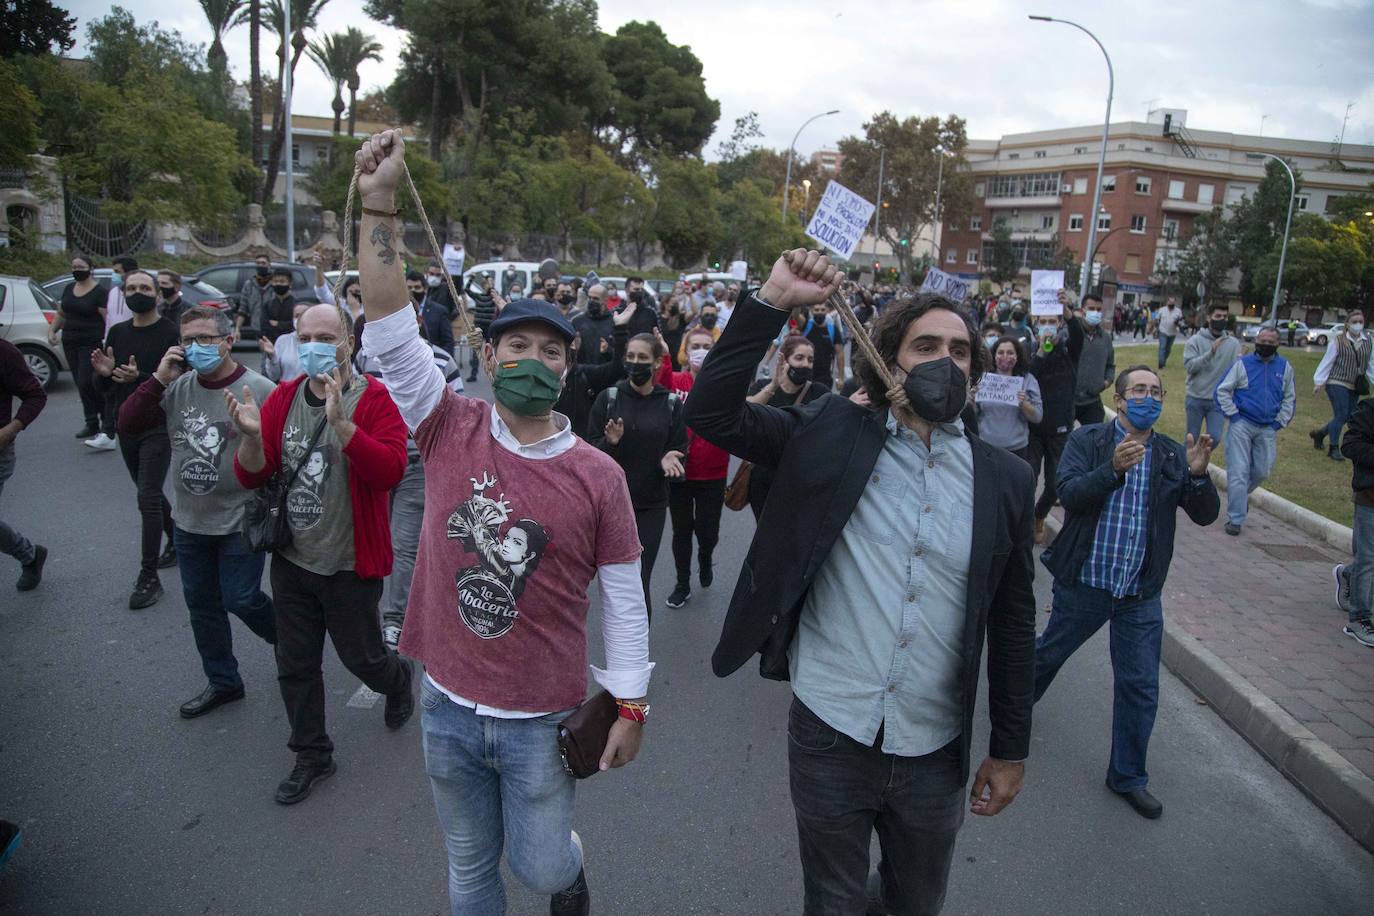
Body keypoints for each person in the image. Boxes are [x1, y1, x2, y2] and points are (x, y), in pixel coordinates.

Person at [352, 129, 652, 916]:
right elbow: (385, 323)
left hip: (541, 722)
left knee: (543, 868)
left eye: (551, 353)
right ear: (489, 357)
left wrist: (630, 705)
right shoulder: (446, 423)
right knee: (469, 871)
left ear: (567, 370)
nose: (533, 360)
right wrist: (379, 201)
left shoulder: (600, 477)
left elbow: (623, 598)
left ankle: (568, 871)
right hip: (445, 704)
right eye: (516, 344)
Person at [684, 248, 1035, 916]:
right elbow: (712, 415)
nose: (944, 362)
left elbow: (1014, 623)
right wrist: (772, 301)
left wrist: (1010, 748)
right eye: (925, 345)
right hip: (831, 728)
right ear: (886, 359)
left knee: (914, 904)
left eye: (960, 351)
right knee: (835, 903)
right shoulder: (830, 431)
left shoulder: (1007, 480)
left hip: (935, 746)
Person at [229, 302, 415, 805]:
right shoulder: (283, 398)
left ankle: (398, 679)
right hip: (292, 559)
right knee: (295, 664)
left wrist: (343, 428)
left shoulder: (375, 399)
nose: (313, 346)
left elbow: (391, 473)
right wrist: (249, 439)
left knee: (363, 660)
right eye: (304, 336)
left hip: (350, 566)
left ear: (347, 343)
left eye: (325, 336)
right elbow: (253, 473)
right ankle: (312, 754)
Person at [1036, 366, 1219, 820]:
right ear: (1119, 400)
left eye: (1156, 391)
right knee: (1047, 656)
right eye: (1139, 390)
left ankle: (1128, 777)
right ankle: (1011, 712)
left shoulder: (1172, 455)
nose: (1148, 397)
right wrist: (1113, 469)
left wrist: (1198, 478)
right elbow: (1070, 493)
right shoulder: (1090, 441)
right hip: (1087, 581)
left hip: (1139, 591)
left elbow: (1204, 515)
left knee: (1140, 686)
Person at [118, 305, 278, 717]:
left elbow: (280, 454)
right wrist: (157, 379)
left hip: (241, 517)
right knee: (202, 606)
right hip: (190, 520)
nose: (195, 347)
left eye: (205, 338)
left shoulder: (260, 388)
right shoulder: (176, 387)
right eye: (188, 340)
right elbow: (130, 424)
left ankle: (292, 639)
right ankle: (224, 681)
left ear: (227, 341)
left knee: (241, 598)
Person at [354, 305, 466, 650]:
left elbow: (458, 412)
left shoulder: (442, 361)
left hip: (416, 465)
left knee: (404, 545)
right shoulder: (364, 358)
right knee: (367, 539)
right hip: (371, 461)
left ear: (415, 323)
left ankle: (394, 619)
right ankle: (359, 613)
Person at [93, 270, 180, 609]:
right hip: (125, 425)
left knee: (146, 497)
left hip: (158, 425)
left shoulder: (171, 333)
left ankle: (149, 576)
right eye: (132, 288)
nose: (138, 293)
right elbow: (105, 387)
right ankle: (176, 539)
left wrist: (141, 376)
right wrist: (104, 375)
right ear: (123, 293)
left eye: (145, 288)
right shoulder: (117, 331)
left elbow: (179, 384)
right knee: (151, 493)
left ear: (158, 294)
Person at [587, 333, 688, 612]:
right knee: (610, 582)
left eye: (642, 358)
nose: (635, 363)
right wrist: (610, 442)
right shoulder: (609, 398)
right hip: (609, 505)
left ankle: (636, 654)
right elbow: (588, 454)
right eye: (630, 357)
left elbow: (680, 450)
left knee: (638, 581)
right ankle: (613, 649)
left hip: (650, 505)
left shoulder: (670, 404)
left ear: (657, 363)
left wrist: (670, 460)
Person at [658, 327, 731, 609]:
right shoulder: (677, 380)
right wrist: (664, 356)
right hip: (680, 472)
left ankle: (705, 556)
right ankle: (682, 583)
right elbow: (661, 385)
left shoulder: (723, 385)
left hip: (713, 473)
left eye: (706, 345)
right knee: (681, 530)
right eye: (695, 345)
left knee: (708, 531)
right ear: (686, 352)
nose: (700, 350)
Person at [1215, 327, 1295, 535]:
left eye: (1270, 341)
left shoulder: (1284, 367)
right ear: (1256, 340)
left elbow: (1289, 397)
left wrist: (1280, 422)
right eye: (1262, 340)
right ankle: (1235, 518)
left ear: (1278, 344)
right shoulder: (1243, 364)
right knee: (1238, 472)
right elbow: (1222, 390)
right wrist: (1234, 415)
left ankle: (1239, 498)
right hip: (1242, 424)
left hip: (1268, 427)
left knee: (1262, 471)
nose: (1265, 344)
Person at [744, 335, 828, 518]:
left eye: (810, 360)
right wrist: (774, 385)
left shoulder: (820, 393)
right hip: (763, 478)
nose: (805, 364)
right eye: (799, 358)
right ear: (784, 360)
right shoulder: (763, 386)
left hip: (801, 479)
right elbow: (747, 410)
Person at [1027, 291, 1084, 544]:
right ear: (1035, 324)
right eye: (1043, 322)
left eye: (1053, 321)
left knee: (1054, 484)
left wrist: (1069, 312)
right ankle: (1022, 522)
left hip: (1060, 428)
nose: (1048, 326)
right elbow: (1028, 378)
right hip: (1032, 427)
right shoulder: (1030, 350)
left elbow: (1079, 335)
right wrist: (1040, 352)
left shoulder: (1068, 349)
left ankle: (1039, 516)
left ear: (1059, 324)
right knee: (1027, 479)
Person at [0, 338, 48, 591]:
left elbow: (35, 395)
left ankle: (29, 555)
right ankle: (30, 555)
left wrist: (9, 430)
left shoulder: (5, 351)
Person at [48, 255, 108, 441]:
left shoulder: (99, 292)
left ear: (90, 268)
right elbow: (61, 313)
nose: (76, 269)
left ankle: (106, 418)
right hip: (70, 341)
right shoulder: (69, 288)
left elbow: (107, 319)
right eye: (73, 266)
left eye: (80, 266)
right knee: (79, 383)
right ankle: (91, 422)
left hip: (91, 342)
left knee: (86, 381)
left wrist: (109, 340)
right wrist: (52, 331)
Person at [1336, 400, 1374, 648]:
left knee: (1367, 559)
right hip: (1370, 496)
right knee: (1369, 557)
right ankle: (1359, 619)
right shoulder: (1368, 410)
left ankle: (1347, 575)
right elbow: (1349, 445)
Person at [1312, 311, 1374, 461]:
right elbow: (1328, 361)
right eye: (1354, 321)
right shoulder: (1338, 341)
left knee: (1349, 416)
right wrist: (1319, 381)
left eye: (1360, 321)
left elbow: (1371, 363)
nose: (1358, 324)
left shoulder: (1369, 341)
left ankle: (1320, 433)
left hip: (1356, 384)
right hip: (1337, 381)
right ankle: (1334, 448)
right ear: (1347, 324)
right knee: (1340, 415)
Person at [976, 337, 1043, 463]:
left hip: (1017, 449)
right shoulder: (983, 380)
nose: (1005, 356)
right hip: (987, 447)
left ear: (1017, 356)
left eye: (1010, 353)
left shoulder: (1028, 380)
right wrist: (972, 401)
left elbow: (1038, 417)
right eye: (1000, 352)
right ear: (993, 356)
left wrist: (1024, 404)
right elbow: (974, 414)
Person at [1183, 304, 1241, 448]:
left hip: (1218, 400)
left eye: (1225, 317)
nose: (1222, 319)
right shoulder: (1195, 341)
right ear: (1209, 318)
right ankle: (1185, 466)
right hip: (1196, 397)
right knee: (1192, 438)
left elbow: (1235, 372)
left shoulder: (1233, 344)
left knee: (1214, 437)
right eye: (1218, 316)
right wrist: (1210, 354)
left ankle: (1198, 461)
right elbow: (1190, 367)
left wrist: (1242, 362)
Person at [1074, 292, 1115, 427]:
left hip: (1092, 400)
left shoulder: (1105, 338)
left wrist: (1106, 382)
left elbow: (1110, 365)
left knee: (1095, 439)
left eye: (1098, 310)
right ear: (1082, 310)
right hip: (1068, 400)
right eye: (1091, 309)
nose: (1095, 312)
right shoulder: (1070, 333)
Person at [261, 300, 313, 382]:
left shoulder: (319, 342)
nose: (299, 319)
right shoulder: (282, 340)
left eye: (304, 315)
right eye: (297, 316)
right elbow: (274, 376)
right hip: (287, 392)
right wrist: (272, 357)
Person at [407, 269, 455, 356]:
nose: (412, 291)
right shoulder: (400, 313)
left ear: (425, 289)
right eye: (409, 288)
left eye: (417, 287)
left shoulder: (439, 311)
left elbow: (448, 344)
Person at [573, 283, 614, 365]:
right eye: (589, 298)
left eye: (595, 299)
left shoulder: (614, 322)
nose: (591, 301)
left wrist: (608, 350)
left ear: (605, 300)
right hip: (581, 372)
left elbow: (620, 355)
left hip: (605, 372)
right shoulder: (577, 321)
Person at [237, 254, 276, 337]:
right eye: (258, 263)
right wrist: (237, 329)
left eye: (263, 263)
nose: (260, 265)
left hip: (274, 328)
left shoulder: (275, 283)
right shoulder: (249, 284)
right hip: (257, 327)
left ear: (269, 265)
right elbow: (243, 309)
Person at [261, 267, 298, 344]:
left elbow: (296, 325)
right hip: (273, 343)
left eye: (282, 281)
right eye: (275, 281)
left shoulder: (296, 305)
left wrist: (278, 324)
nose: (278, 284)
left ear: (290, 284)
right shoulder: (268, 305)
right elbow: (264, 326)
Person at [104, 255, 136, 336]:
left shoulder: (138, 294)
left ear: (129, 273)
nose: (114, 275)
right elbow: (109, 319)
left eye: (117, 272)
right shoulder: (113, 292)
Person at [1157, 298, 1184, 368]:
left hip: (1173, 333)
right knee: (1162, 347)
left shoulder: (1178, 311)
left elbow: (1181, 321)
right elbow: (1157, 319)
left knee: (1168, 349)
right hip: (1163, 331)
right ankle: (1161, 363)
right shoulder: (1162, 310)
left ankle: (1164, 361)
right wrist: (1155, 328)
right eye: (1170, 302)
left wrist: (1179, 323)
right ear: (1167, 302)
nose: (1171, 304)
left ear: (1175, 303)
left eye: (1173, 303)